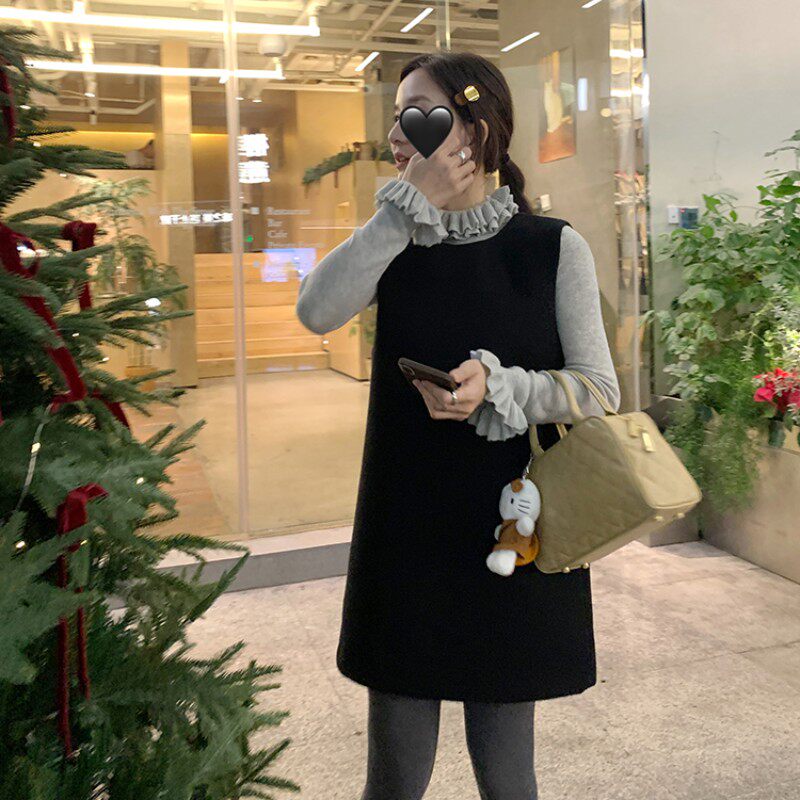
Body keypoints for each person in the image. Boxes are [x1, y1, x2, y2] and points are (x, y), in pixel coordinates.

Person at [296, 51, 621, 800]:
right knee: (393, 776)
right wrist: (400, 210)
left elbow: (598, 391)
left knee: (508, 776)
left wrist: (502, 386)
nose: (398, 136)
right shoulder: (394, 242)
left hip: (510, 532)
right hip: (406, 527)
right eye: (398, 119)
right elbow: (315, 310)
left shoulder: (550, 248)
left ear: (473, 133)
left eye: (420, 117)